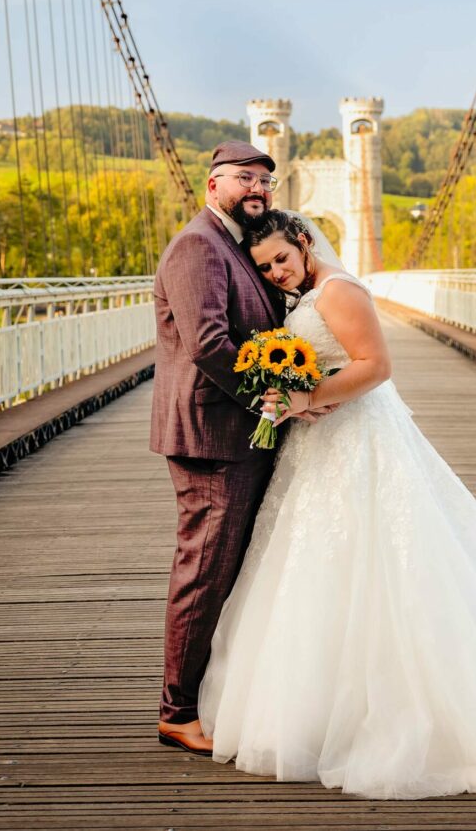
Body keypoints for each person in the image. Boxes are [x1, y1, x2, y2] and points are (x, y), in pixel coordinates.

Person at [198, 208, 476, 809]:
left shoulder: (339, 290)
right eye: (264, 267)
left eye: (282, 258)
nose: (277, 273)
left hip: (361, 439)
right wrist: (293, 399)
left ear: (304, 243)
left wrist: (305, 396)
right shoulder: (307, 294)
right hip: (321, 445)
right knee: (320, 564)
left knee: (388, 559)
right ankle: (322, 704)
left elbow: (377, 367)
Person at [150, 142, 293, 755]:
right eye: (244, 178)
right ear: (213, 185)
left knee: (228, 569)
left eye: (266, 178)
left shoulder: (237, 245)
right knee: (204, 572)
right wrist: (268, 398)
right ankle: (177, 712)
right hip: (215, 435)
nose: (257, 187)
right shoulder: (198, 246)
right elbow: (209, 344)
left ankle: (209, 697)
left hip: (239, 432)